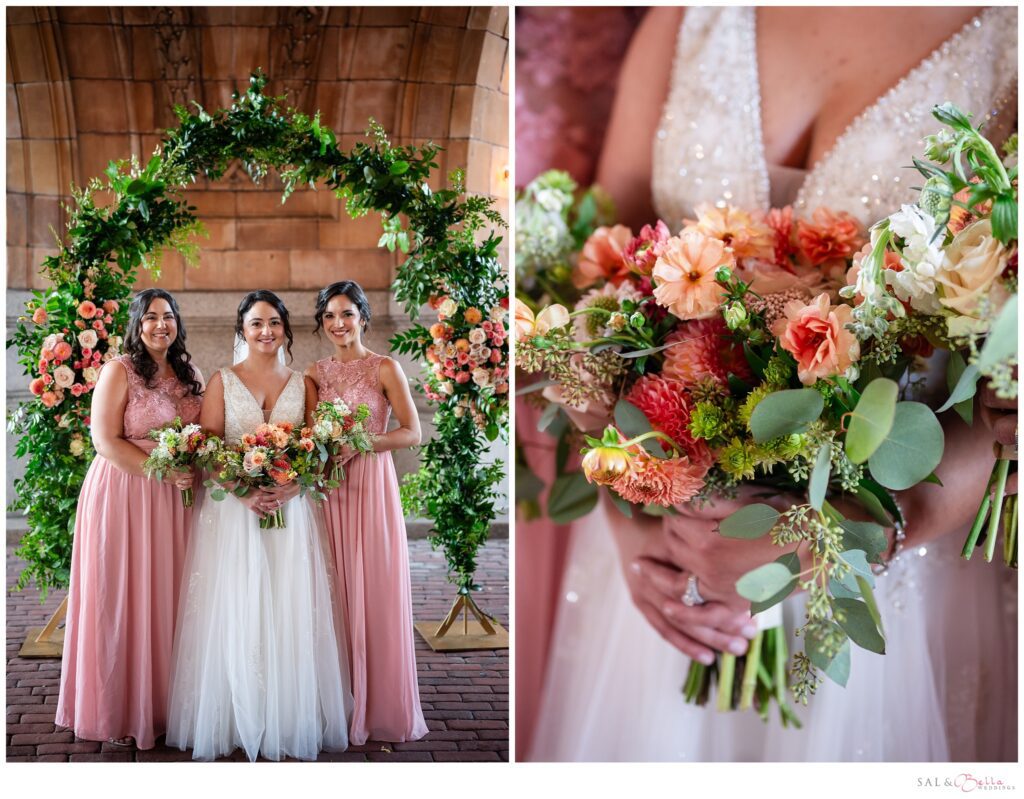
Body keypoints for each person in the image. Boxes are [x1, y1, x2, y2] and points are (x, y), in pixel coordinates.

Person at [530, 6, 1017, 761]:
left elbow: (1004, 405)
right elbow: (598, 289)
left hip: (899, 557)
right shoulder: (688, 20)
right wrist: (636, 527)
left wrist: (840, 544)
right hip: (672, 551)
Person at [166, 290, 351, 761]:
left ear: (286, 329)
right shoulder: (221, 381)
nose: (265, 331)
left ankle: (286, 716)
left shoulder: (302, 382)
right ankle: (233, 714)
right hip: (235, 511)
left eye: (273, 323)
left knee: (287, 605)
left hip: (290, 511)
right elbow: (207, 445)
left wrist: (292, 487)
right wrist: (244, 489)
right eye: (255, 324)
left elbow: (318, 447)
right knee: (238, 603)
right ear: (242, 331)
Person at [56, 289, 203, 749]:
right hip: (126, 492)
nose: (161, 325)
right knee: (123, 597)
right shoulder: (118, 371)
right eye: (151, 318)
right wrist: (160, 471)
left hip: (177, 501)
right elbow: (104, 440)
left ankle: (166, 705)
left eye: (169, 316)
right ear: (137, 325)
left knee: (171, 597)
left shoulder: (190, 372)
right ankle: (120, 706)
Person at [306, 280, 429, 745]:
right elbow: (312, 433)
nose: (339, 324)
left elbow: (411, 432)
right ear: (322, 323)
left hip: (371, 486)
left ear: (363, 316)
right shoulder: (314, 373)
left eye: (347, 314)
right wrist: (323, 454)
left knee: (373, 585)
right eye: (330, 316)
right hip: (331, 488)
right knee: (335, 588)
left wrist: (360, 443)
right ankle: (340, 701)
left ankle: (380, 704)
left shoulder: (385, 367)